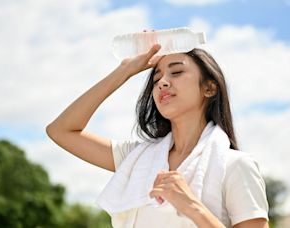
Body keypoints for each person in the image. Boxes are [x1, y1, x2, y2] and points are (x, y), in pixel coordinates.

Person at [46, 41, 269, 227]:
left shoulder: (237, 166)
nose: (162, 82)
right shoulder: (136, 160)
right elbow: (60, 130)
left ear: (209, 88)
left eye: (177, 72)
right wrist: (124, 71)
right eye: (156, 79)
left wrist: (192, 207)